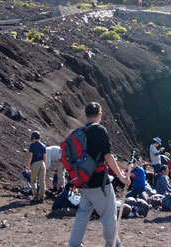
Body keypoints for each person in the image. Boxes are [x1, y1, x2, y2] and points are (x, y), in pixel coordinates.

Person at [69, 102, 130, 247]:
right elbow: (108, 156)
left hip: (83, 181)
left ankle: (74, 244)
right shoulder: (100, 130)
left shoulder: (79, 132)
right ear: (100, 115)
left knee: (83, 214)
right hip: (99, 182)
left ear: (85, 116)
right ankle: (113, 244)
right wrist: (121, 177)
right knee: (108, 215)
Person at [27, 131, 46, 204]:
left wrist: (28, 166)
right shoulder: (43, 145)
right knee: (42, 181)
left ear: (34, 138)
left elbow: (30, 156)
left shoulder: (32, 145)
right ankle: (41, 197)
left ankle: (35, 196)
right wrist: (45, 164)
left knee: (33, 180)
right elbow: (45, 156)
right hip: (42, 163)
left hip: (35, 163)